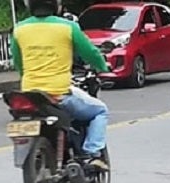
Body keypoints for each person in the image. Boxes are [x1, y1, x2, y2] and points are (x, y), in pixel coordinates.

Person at [10, 0, 111, 171]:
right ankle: (92, 154)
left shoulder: (19, 29)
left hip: (30, 94)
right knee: (100, 111)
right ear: (56, 6)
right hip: (59, 94)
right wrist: (102, 66)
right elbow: (90, 53)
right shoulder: (68, 27)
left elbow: (18, 62)